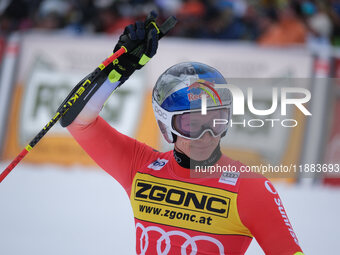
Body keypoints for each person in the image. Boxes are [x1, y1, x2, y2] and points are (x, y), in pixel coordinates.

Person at [64, 14, 304, 255]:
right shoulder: (140, 167)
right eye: (192, 124)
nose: (206, 135)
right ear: (166, 126)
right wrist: (115, 71)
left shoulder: (250, 189)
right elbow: (77, 120)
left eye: (215, 121)